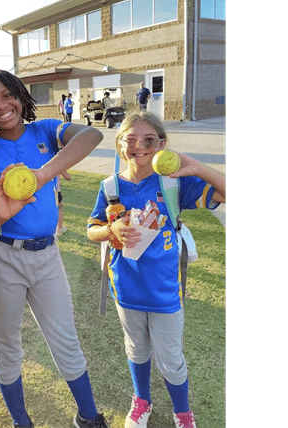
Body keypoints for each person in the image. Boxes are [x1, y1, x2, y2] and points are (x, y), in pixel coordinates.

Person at [0, 70, 110, 428]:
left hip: (47, 256)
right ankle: (22, 423)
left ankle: (89, 418)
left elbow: (92, 134)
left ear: (20, 94)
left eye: (6, 95)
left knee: (66, 341)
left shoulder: (45, 130)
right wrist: (3, 211)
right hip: (3, 257)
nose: (1, 106)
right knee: (7, 347)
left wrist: (43, 174)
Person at [85, 111, 225, 428]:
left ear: (161, 144)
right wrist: (110, 231)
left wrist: (198, 167)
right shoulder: (109, 188)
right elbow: (92, 230)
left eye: (149, 140)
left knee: (171, 360)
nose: (140, 147)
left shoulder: (173, 184)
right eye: (130, 140)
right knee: (136, 350)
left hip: (164, 293)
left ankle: (183, 412)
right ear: (120, 144)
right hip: (126, 290)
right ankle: (142, 401)